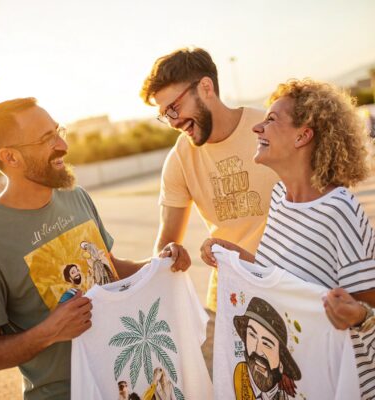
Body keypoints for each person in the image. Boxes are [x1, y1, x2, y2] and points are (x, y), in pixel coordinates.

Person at [0, 98, 177, 400]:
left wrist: (160, 264)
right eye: (46, 139)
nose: (63, 145)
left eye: (58, 131)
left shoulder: (76, 196)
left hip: (128, 378)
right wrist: (50, 331)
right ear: (10, 157)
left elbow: (109, 268)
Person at [201, 79, 375, 398]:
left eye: (271, 119)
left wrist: (358, 314)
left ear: (302, 135)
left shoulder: (339, 210)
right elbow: (280, 279)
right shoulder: (280, 197)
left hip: (340, 384)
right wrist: (234, 255)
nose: (257, 128)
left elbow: (369, 305)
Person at [141, 47, 278, 310]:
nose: (172, 122)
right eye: (164, 114)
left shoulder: (268, 128)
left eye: (174, 107)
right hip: (231, 300)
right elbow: (167, 241)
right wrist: (170, 253)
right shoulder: (179, 159)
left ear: (206, 87)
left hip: (287, 283)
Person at [233, 297, 301, 400]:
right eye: (252, 335)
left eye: (267, 344)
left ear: (281, 363)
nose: (257, 350)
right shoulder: (241, 373)